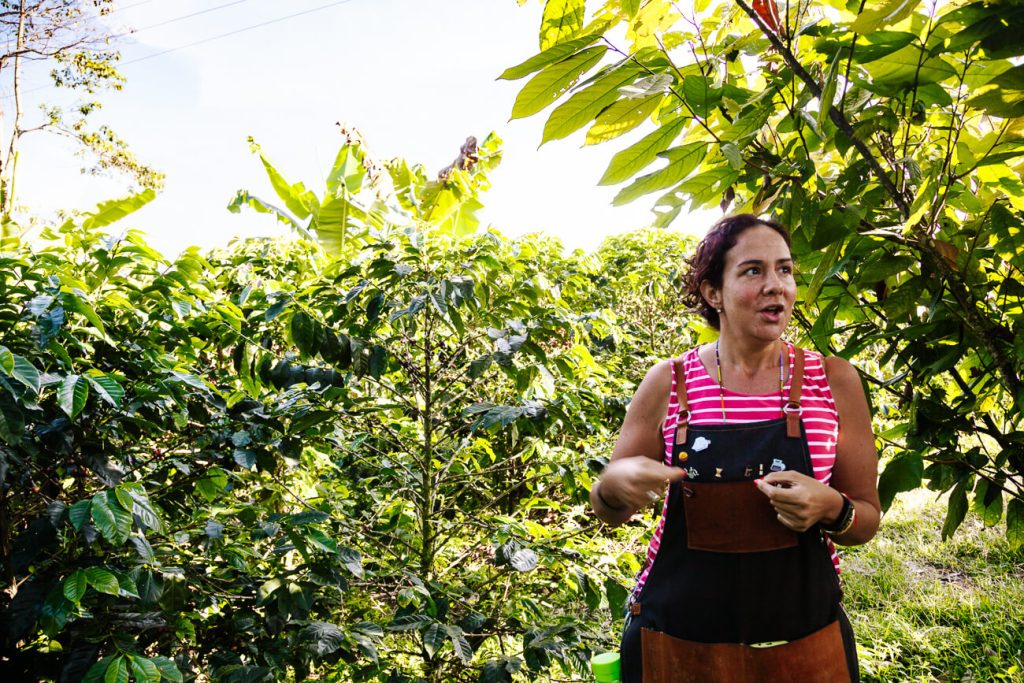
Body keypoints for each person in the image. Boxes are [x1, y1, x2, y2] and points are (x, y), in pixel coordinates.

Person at [590, 214, 880, 682]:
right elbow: (607, 508)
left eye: (785, 270)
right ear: (713, 293)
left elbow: (864, 519)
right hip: (677, 642)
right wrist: (613, 486)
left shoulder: (834, 380)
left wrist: (832, 507)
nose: (776, 286)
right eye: (753, 271)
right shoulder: (670, 383)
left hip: (804, 642)